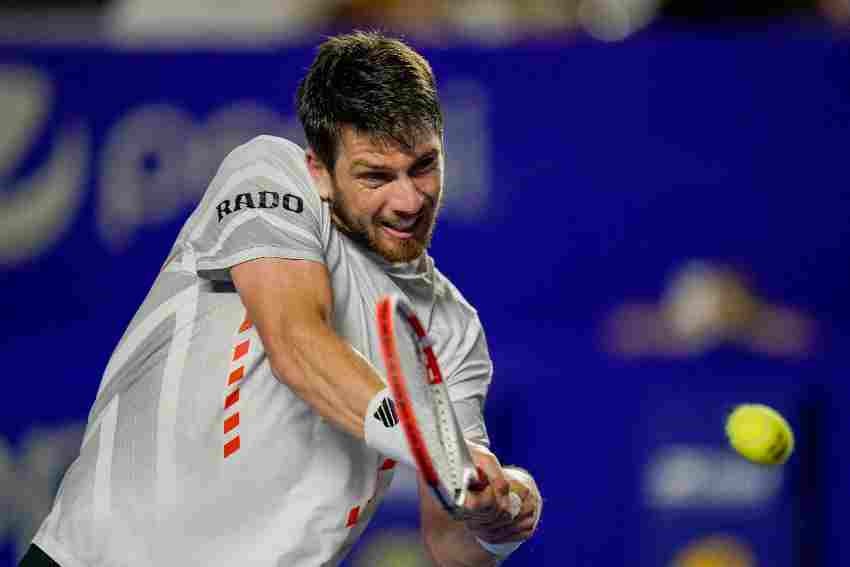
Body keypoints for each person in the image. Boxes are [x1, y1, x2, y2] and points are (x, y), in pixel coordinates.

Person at [23, 31, 541, 566]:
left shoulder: (453, 331)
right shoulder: (270, 173)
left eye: (423, 166)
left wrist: (496, 515)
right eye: (376, 176)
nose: (408, 199)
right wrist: (436, 446)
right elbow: (297, 344)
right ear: (320, 169)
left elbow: (452, 544)